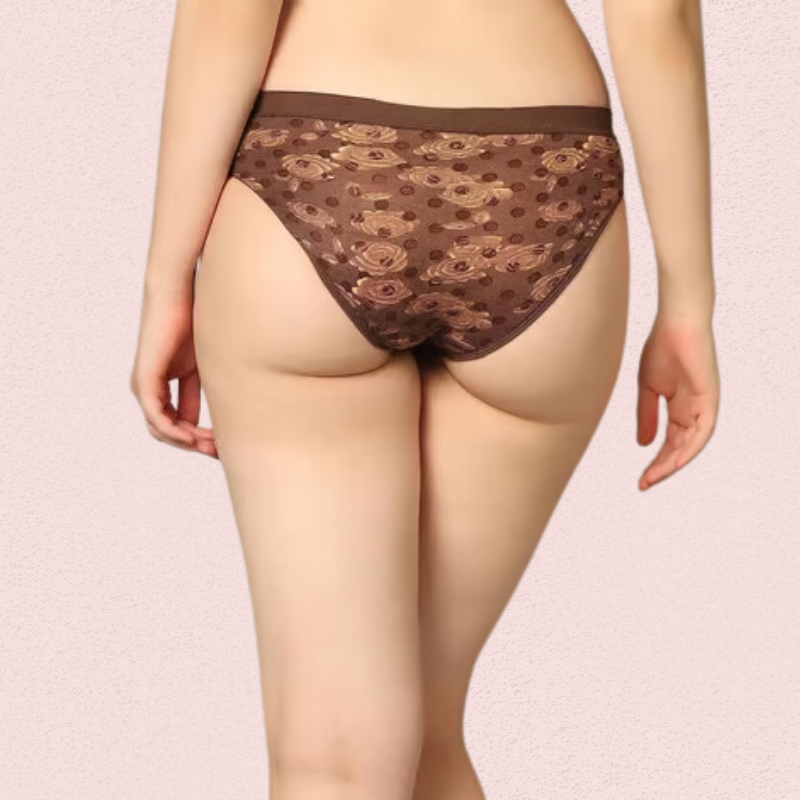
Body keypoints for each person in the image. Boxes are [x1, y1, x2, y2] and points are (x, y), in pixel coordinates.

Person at [130, 0, 720, 797]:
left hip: (322, 155)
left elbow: (226, 12)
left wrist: (168, 279)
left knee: (334, 751)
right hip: (543, 176)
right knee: (428, 735)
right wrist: (688, 304)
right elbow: (659, 19)